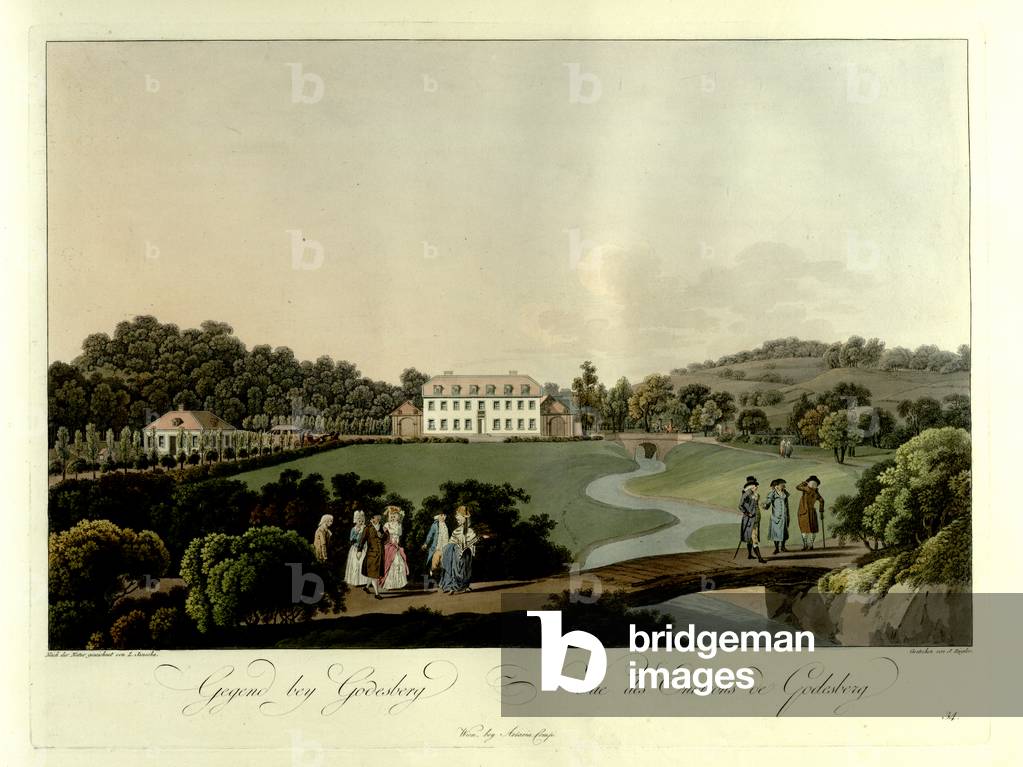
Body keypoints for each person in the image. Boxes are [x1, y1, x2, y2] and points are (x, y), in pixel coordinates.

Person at [439, 505, 480, 593]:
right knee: (455, 570)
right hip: (455, 555)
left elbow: (472, 541)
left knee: (465, 569)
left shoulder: (470, 531)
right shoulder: (456, 531)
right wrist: (449, 550)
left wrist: (471, 544)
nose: (456, 517)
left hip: (465, 555)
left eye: (458, 515)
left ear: (465, 517)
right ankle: (454, 586)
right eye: (456, 515)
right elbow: (450, 543)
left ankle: (464, 586)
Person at [379, 506, 409, 591]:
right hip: (389, 545)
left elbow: (399, 535)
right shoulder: (387, 525)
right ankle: (388, 584)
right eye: (391, 517)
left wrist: (396, 543)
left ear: (397, 517)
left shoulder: (398, 525)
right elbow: (382, 534)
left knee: (398, 563)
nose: (392, 518)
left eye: (394, 517)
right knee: (389, 563)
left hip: (396, 546)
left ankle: (398, 584)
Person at [738, 476, 766, 563]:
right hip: (749, 520)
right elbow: (740, 506)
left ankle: (750, 555)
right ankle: (760, 558)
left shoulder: (755, 495)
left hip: (755, 520)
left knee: (750, 538)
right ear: (751, 486)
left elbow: (757, 505)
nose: (757, 487)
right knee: (754, 538)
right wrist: (747, 513)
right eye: (755, 485)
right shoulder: (747, 494)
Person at [358, 512, 386, 599]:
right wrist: (359, 550)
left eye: (379, 518)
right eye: (377, 518)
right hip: (372, 554)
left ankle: (366, 587)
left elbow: (386, 539)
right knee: (374, 574)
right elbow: (362, 540)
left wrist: (383, 535)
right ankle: (377, 594)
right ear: (372, 519)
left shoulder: (382, 527)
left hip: (380, 554)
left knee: (374, 573)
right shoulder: (367, 528)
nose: (378, 520)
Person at [795, 475, 825, 550]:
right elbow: (822, 501)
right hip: (810, 512)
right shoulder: (816, 492)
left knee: (804, 529)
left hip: (803, 512)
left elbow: (797, 487)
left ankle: (806, 545)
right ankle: (810, 545)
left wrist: (804, 482)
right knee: (812, 529)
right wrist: (821, 511)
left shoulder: (806, 488)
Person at [422, 512, 449, 586]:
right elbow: (430, 535)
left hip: (445, 548)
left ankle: (442, 582)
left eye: (444, 515)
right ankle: (432, 574)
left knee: (443, 565)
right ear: (438, 516)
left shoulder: (446, 525)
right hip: (437, 548)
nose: (443, 517)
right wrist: (426, 543)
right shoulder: (435, 525)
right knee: (434, 566)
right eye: (441, 515)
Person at [764, 478, 790, 554]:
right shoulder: (772, 494)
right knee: (776, 533)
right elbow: (768, 504)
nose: (784, 486)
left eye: (783, 485)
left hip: (784, 517)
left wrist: (788, 515)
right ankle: (776, 548)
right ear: (776, 486)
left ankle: (783, 547)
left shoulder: (785, 493)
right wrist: (765, 505)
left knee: (784, 532)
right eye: (782, 484)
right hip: (776, 517)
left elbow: (787, 505)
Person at [344, 510, 370, 587]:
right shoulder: (353, 529)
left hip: (363, 548)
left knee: (363, 563)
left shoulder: (365, 529)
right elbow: (351, 539)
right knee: (355, 564)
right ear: (356, 521)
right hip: (355, 548)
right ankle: (355, 581)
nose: (361, 522)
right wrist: (356, 532)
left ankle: (364, 581)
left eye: (362, 521)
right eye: (359, 521)